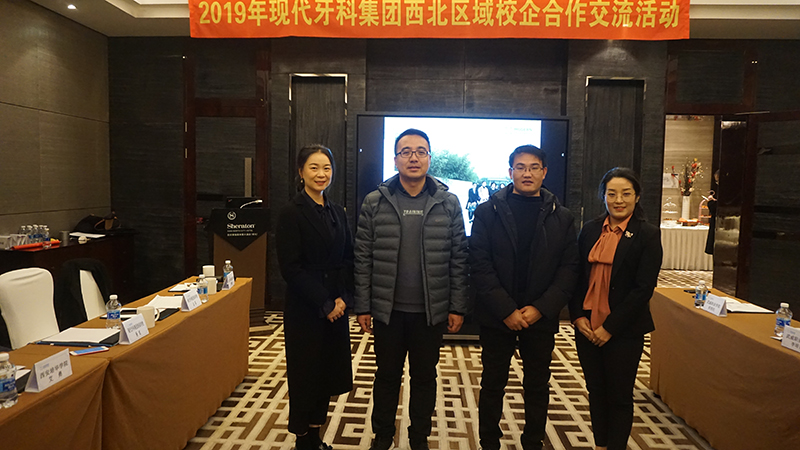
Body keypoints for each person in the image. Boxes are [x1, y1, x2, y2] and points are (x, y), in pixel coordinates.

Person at [354, 128, 469, 450]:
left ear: (430, 158)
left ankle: (419, 437)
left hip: (430, 312)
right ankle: (382, 436)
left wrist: (457, 306)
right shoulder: (375, 201)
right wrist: (363, 306)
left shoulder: (448, 202)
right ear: (395, 159)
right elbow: (362, 256)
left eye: (420, 151)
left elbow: (459, 258)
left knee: (424, 377)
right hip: (387, 310)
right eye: (406, 152)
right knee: (386, 376)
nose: (413, 158)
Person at [470, 145, 579, 450]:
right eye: (520, 167)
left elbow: (569, 269)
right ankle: (489, 442)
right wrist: (506, 309)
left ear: (544, 172)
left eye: (533, 167)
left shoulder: (562, 217)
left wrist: (541, 308)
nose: (526, 173)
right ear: (510, 172)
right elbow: (479, 263)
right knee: (493, 383)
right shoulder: (488, 211)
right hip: (497, 315)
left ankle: (533, 442)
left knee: (537, 384)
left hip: (539, 316)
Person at [569, 167, 663, 450]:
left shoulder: (647, 234)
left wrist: (609, 328)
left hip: (623, 330)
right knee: (596, 391)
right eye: (612, 194)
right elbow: (576, 276)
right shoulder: (590, 230)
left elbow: (643, 289)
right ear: (603, 196)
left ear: (637, 197)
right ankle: (601, 445)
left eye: (626, 194)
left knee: (619, 396)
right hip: (587, 327)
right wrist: (577, 316)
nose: (618, 200)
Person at [276, 144, 354, 450]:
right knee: (306, 374)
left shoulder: (337, 212)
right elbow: (290, 268)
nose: (321, 174)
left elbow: (348, 258)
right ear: (301, 172)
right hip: (306, 308)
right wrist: (325, 302)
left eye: (327, 168)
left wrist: (344, 297)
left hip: (336, 305)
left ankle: (315, 435)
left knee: (327, 373)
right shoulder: (291, 212)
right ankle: (303, 439)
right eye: (314, 167)